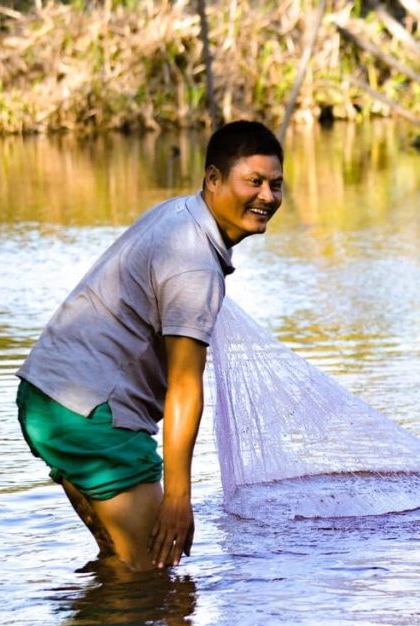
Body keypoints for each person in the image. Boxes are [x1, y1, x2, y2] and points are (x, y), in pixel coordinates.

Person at [16, 120, 284, 571]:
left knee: (121, 561)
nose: (267, 197)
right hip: (89, 417)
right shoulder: (195, 264)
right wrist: (179, 498)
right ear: (213, 179)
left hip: (46, 400)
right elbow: (183, 385)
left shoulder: (179, 215)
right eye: (253, 181)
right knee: (155, 574)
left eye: (276, 184)